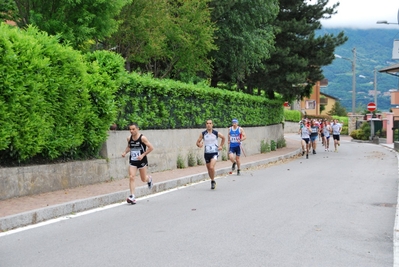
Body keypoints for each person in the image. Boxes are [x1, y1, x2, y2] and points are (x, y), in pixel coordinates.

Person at [122, 123, 154, 204]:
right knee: (131, 177)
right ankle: (132, 196)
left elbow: (151, 148)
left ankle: (149, 179)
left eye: (133, 129)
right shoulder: (129, 138)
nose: (131, 131)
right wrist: (125, 152)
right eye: (130, 129)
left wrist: (142, 155)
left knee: (143, 179)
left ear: (137, 129)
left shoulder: (142, 138)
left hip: (142, 161)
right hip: (133, 160)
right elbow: (129, 147)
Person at [196, 119, 226, 189]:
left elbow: (223, 138)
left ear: (212, 125)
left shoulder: (216, 133)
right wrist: (199, 145)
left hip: (215, 152)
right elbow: (197, 142)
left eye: (210, 123)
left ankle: (212, 181)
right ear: (206, 125)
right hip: (207, 153)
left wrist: (221, 145)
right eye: (207, 123)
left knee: (211, 167)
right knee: (209, 169)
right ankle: (212, 180)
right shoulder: (203, 134)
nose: (208, 125)